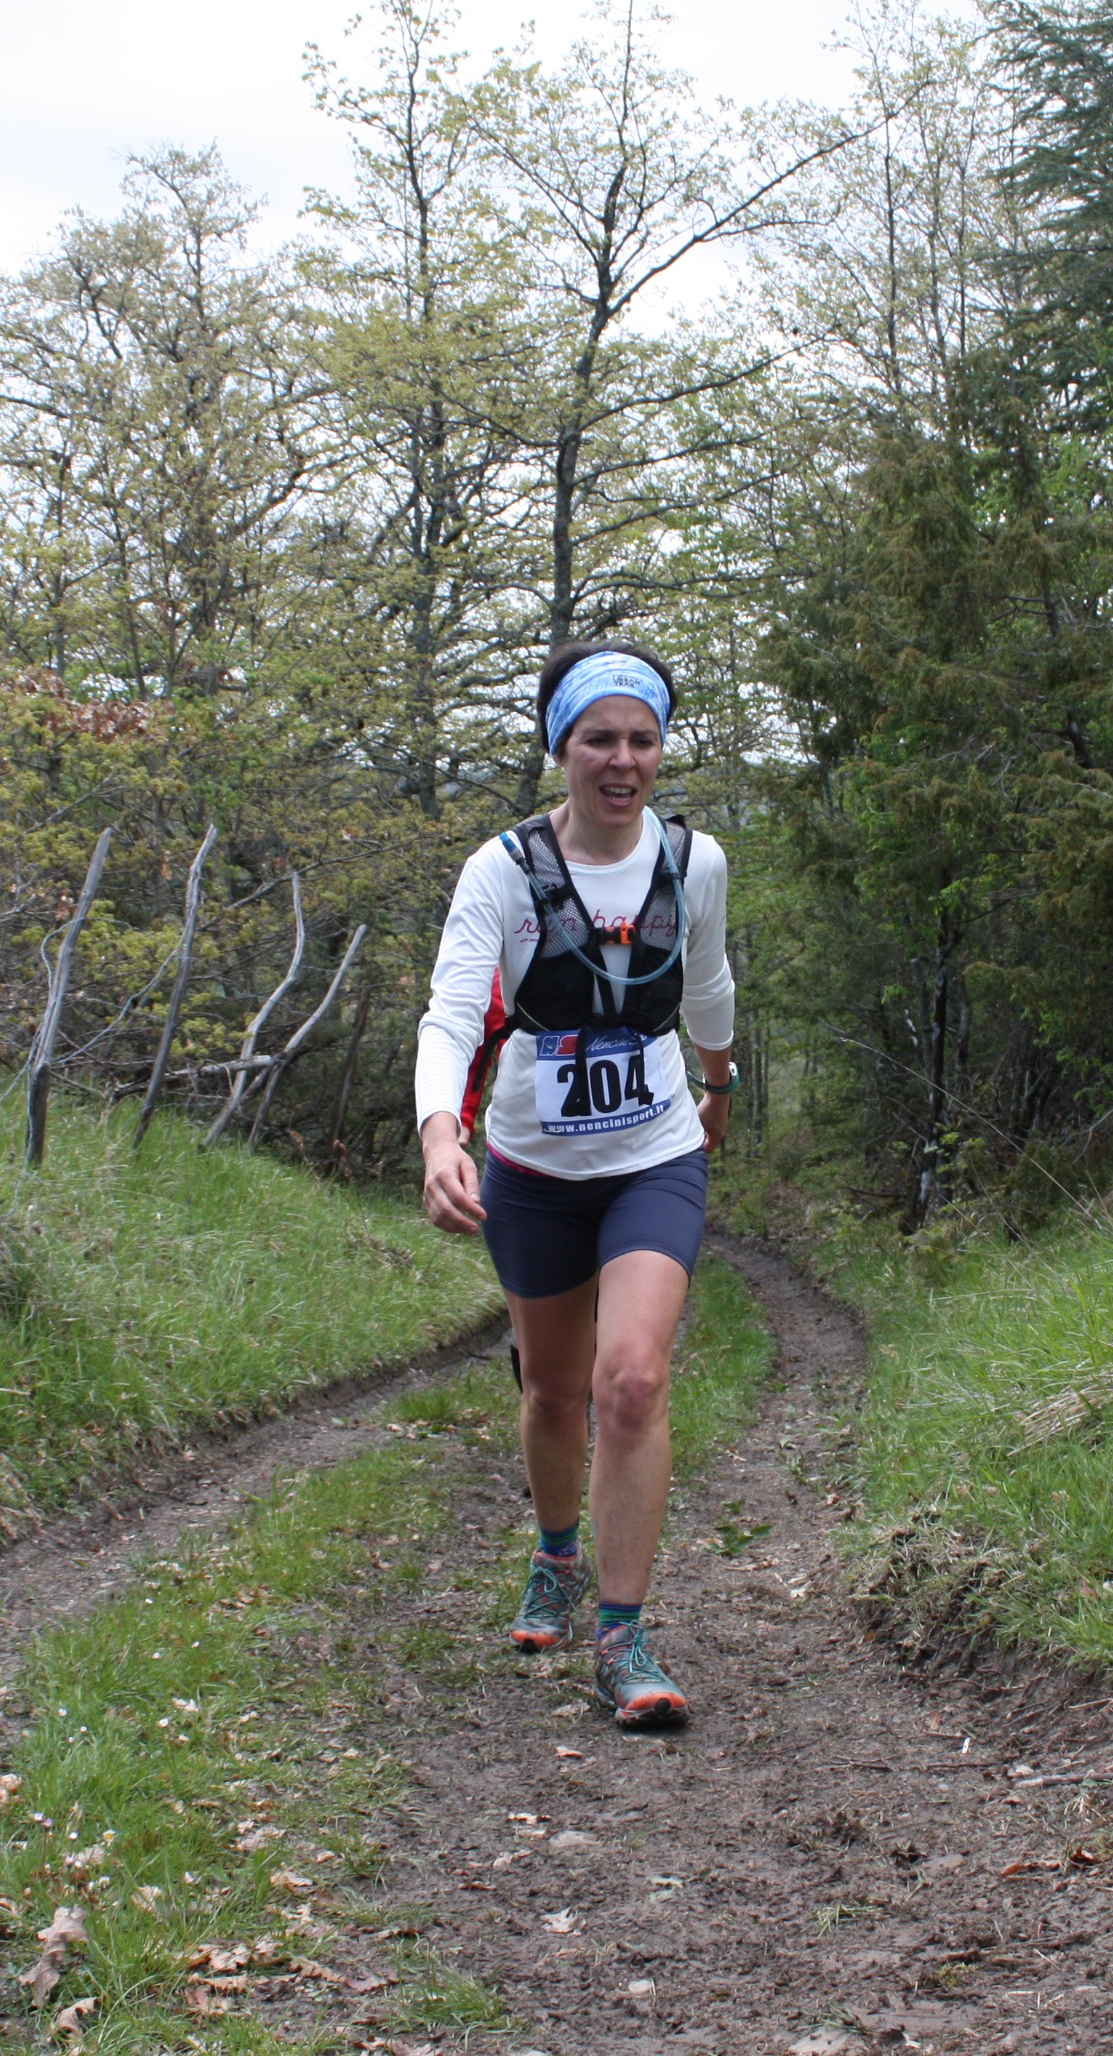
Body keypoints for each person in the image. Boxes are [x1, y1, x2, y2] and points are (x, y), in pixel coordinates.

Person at [413, 641, 736, 1731]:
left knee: (630, 1381)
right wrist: (437, 1135)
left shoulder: (694, 863)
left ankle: (622, 1635)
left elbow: (709, 977)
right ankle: (554, 1554)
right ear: (559, 746)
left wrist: (720, 1077)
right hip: (534, 1167)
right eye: (598, 737)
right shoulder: (501, 870)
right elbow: (454, 1008)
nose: (622, 759)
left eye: (641, 738)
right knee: (551, 1390)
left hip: (652, 1153)